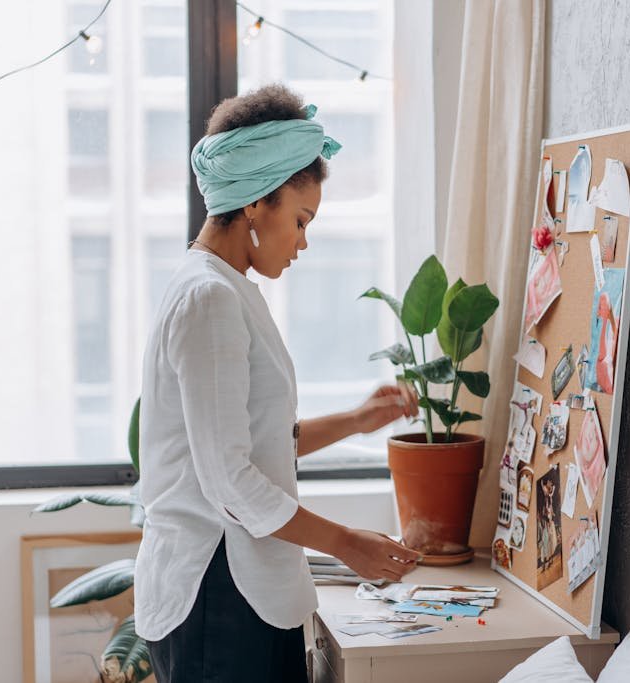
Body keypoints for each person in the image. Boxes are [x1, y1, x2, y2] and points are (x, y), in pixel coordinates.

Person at [133, 84, 422, 683]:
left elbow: (251, 445)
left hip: (241, 590)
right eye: (300, 219)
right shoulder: (209, 298)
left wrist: (354, 420)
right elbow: (230, 484)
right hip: (218, 595)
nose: (303, 241)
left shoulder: (222, 288)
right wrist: (346, 542)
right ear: (256, 203)